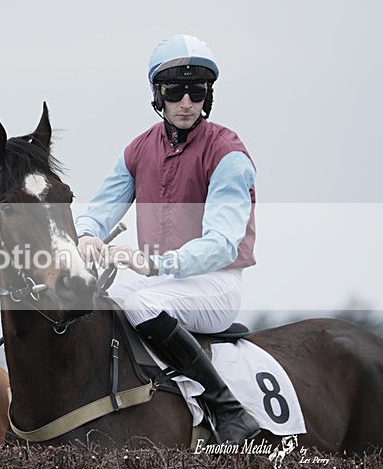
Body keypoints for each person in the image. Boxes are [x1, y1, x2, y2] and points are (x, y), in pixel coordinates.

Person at [75, 34, 260, 444]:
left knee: (140, 301)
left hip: (215, 285)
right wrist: (87, 235)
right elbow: (101, 209)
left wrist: (158, 263)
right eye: (174, 91)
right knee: (90, 296)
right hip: (160, 282)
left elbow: (223, 243)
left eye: (197, 91)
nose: (186, 102)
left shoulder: (228, 154)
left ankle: (227, 408)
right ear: (158, 95)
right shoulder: (138, 149)